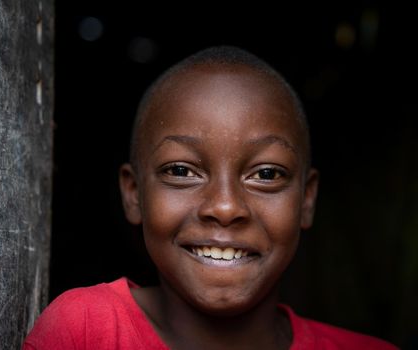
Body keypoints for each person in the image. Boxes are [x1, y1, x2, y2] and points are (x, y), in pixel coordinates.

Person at [23, 46, 398, 349]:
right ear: (134, 194)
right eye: (181, 171)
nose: (225, 207)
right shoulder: (88, 331)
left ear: (306, 199)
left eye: (266, 174)